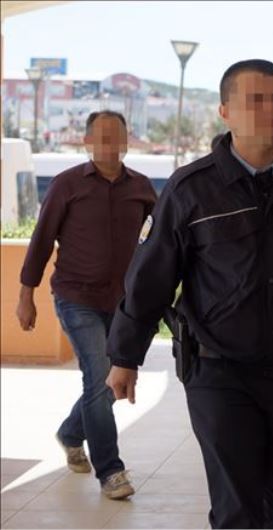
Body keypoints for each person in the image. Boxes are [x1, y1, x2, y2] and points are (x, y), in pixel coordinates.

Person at [104, 59, 273, 529]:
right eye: (257, 100)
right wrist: (125, 356)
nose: (272, 110)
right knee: (238, 505)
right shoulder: (192, 189)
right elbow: (150, 277)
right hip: (218, 369)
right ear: (225, 111)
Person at [17, 110, 156, 499]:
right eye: (102, 137)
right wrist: (26, 295)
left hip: (123, 304)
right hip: (76, 298)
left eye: (118, 137)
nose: (111, 145)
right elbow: (41, 240)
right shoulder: (67, 184)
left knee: (109, 382)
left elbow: (161, 243)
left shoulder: (142, 188)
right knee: (100, 376)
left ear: (127, 142)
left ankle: (70, 432)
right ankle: (110, 471)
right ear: (87, 142)